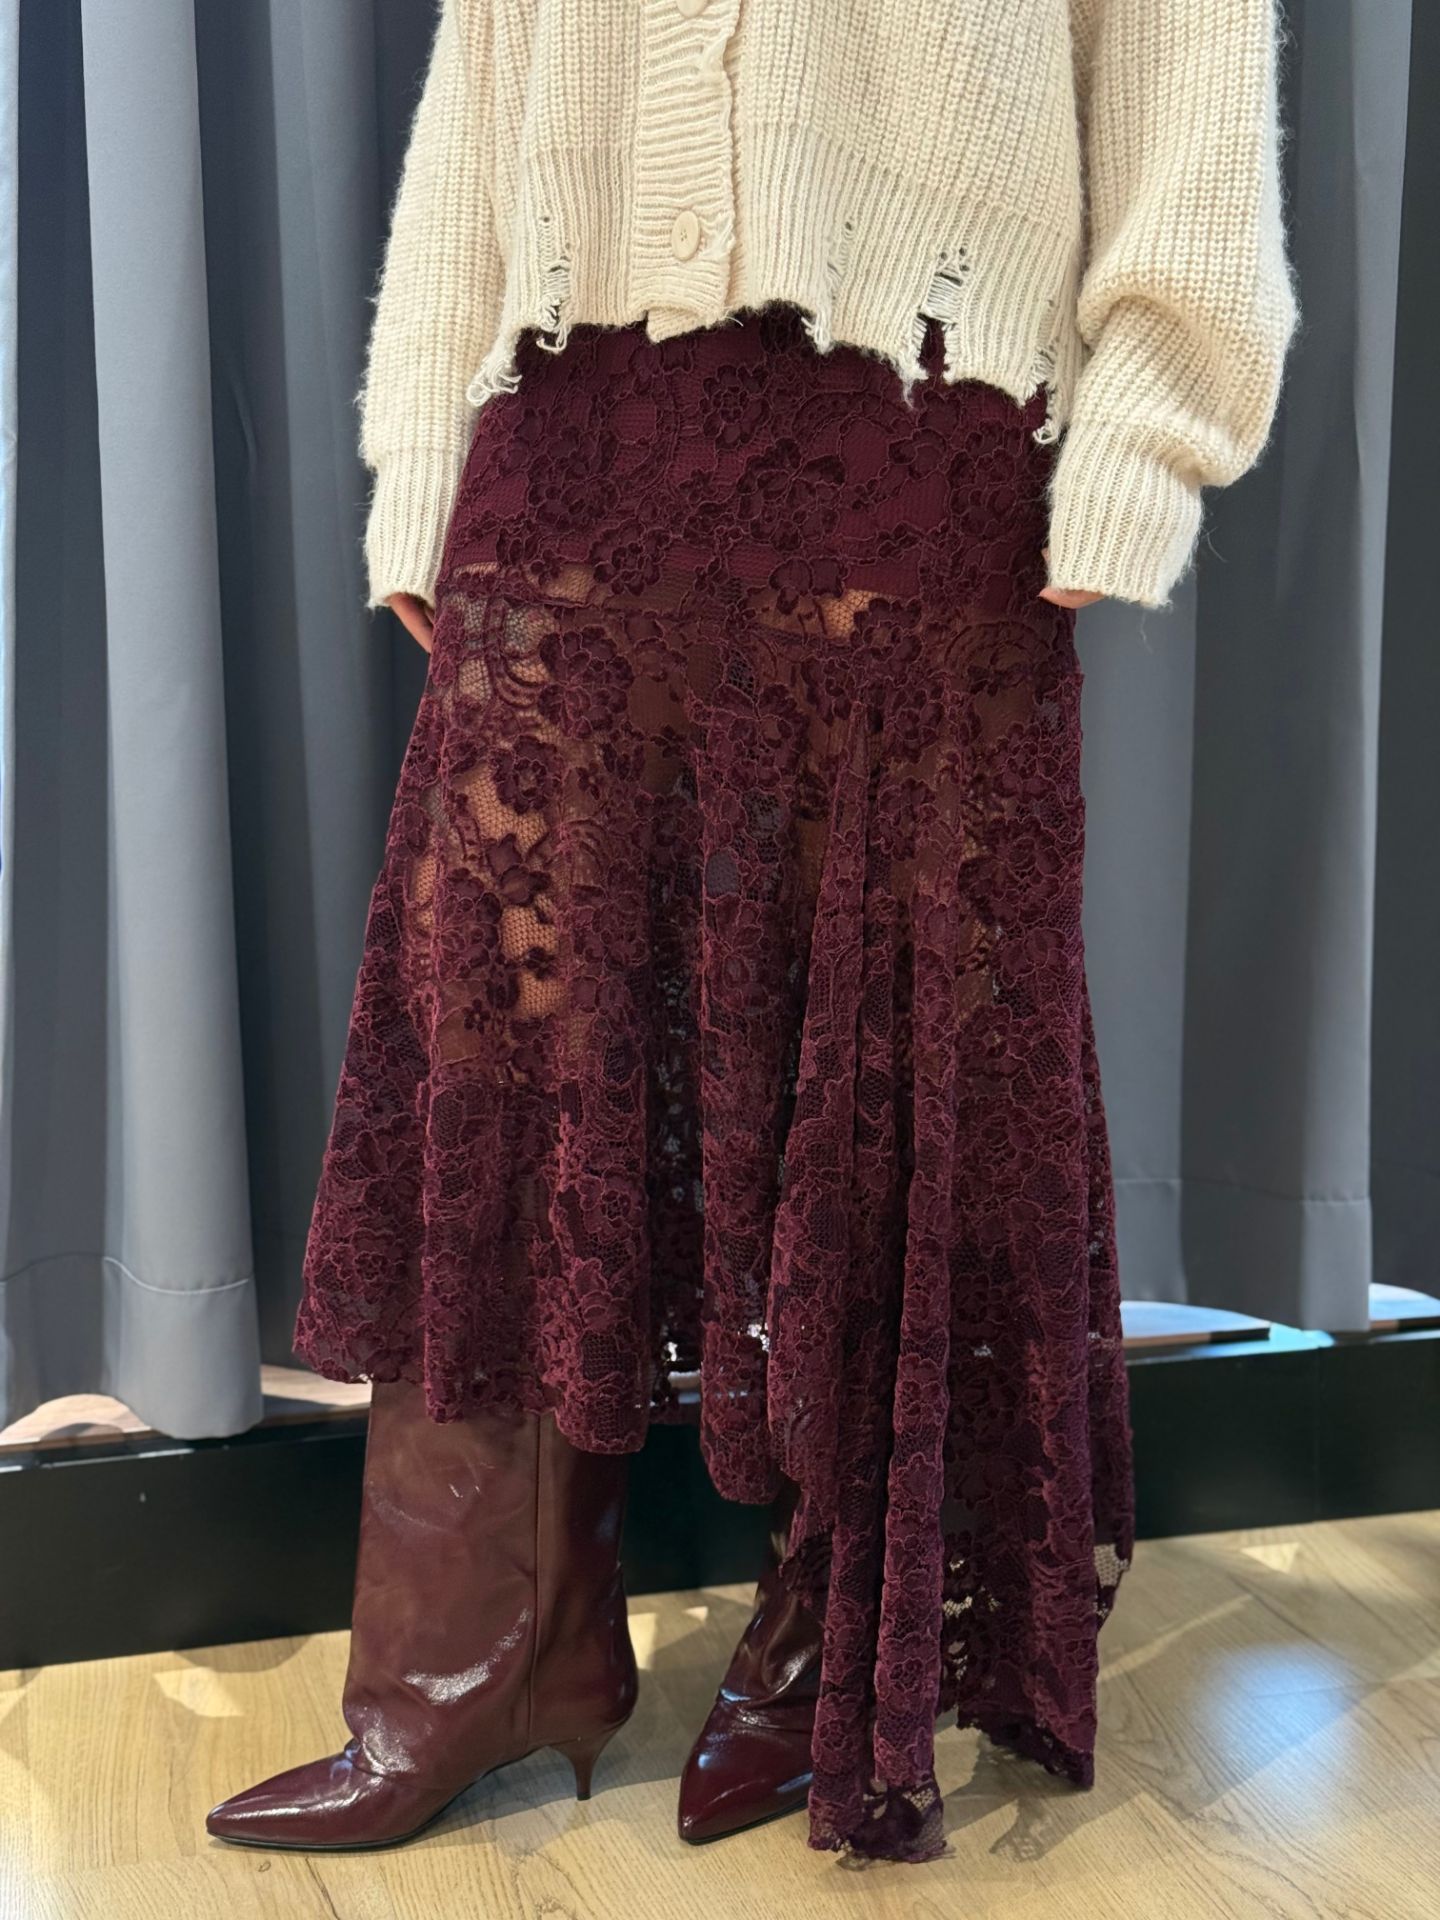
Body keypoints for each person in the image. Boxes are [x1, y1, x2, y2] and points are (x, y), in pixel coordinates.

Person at [205, 0, 1300, 1868]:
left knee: (873, 1051)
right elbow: (482, 92)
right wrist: (423, 453)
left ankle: (828, 1642)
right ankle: (473, 1663)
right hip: (570, 423)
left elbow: (1183, 78)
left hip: (917, 438)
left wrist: (1143, 434)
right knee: (506, 1036)